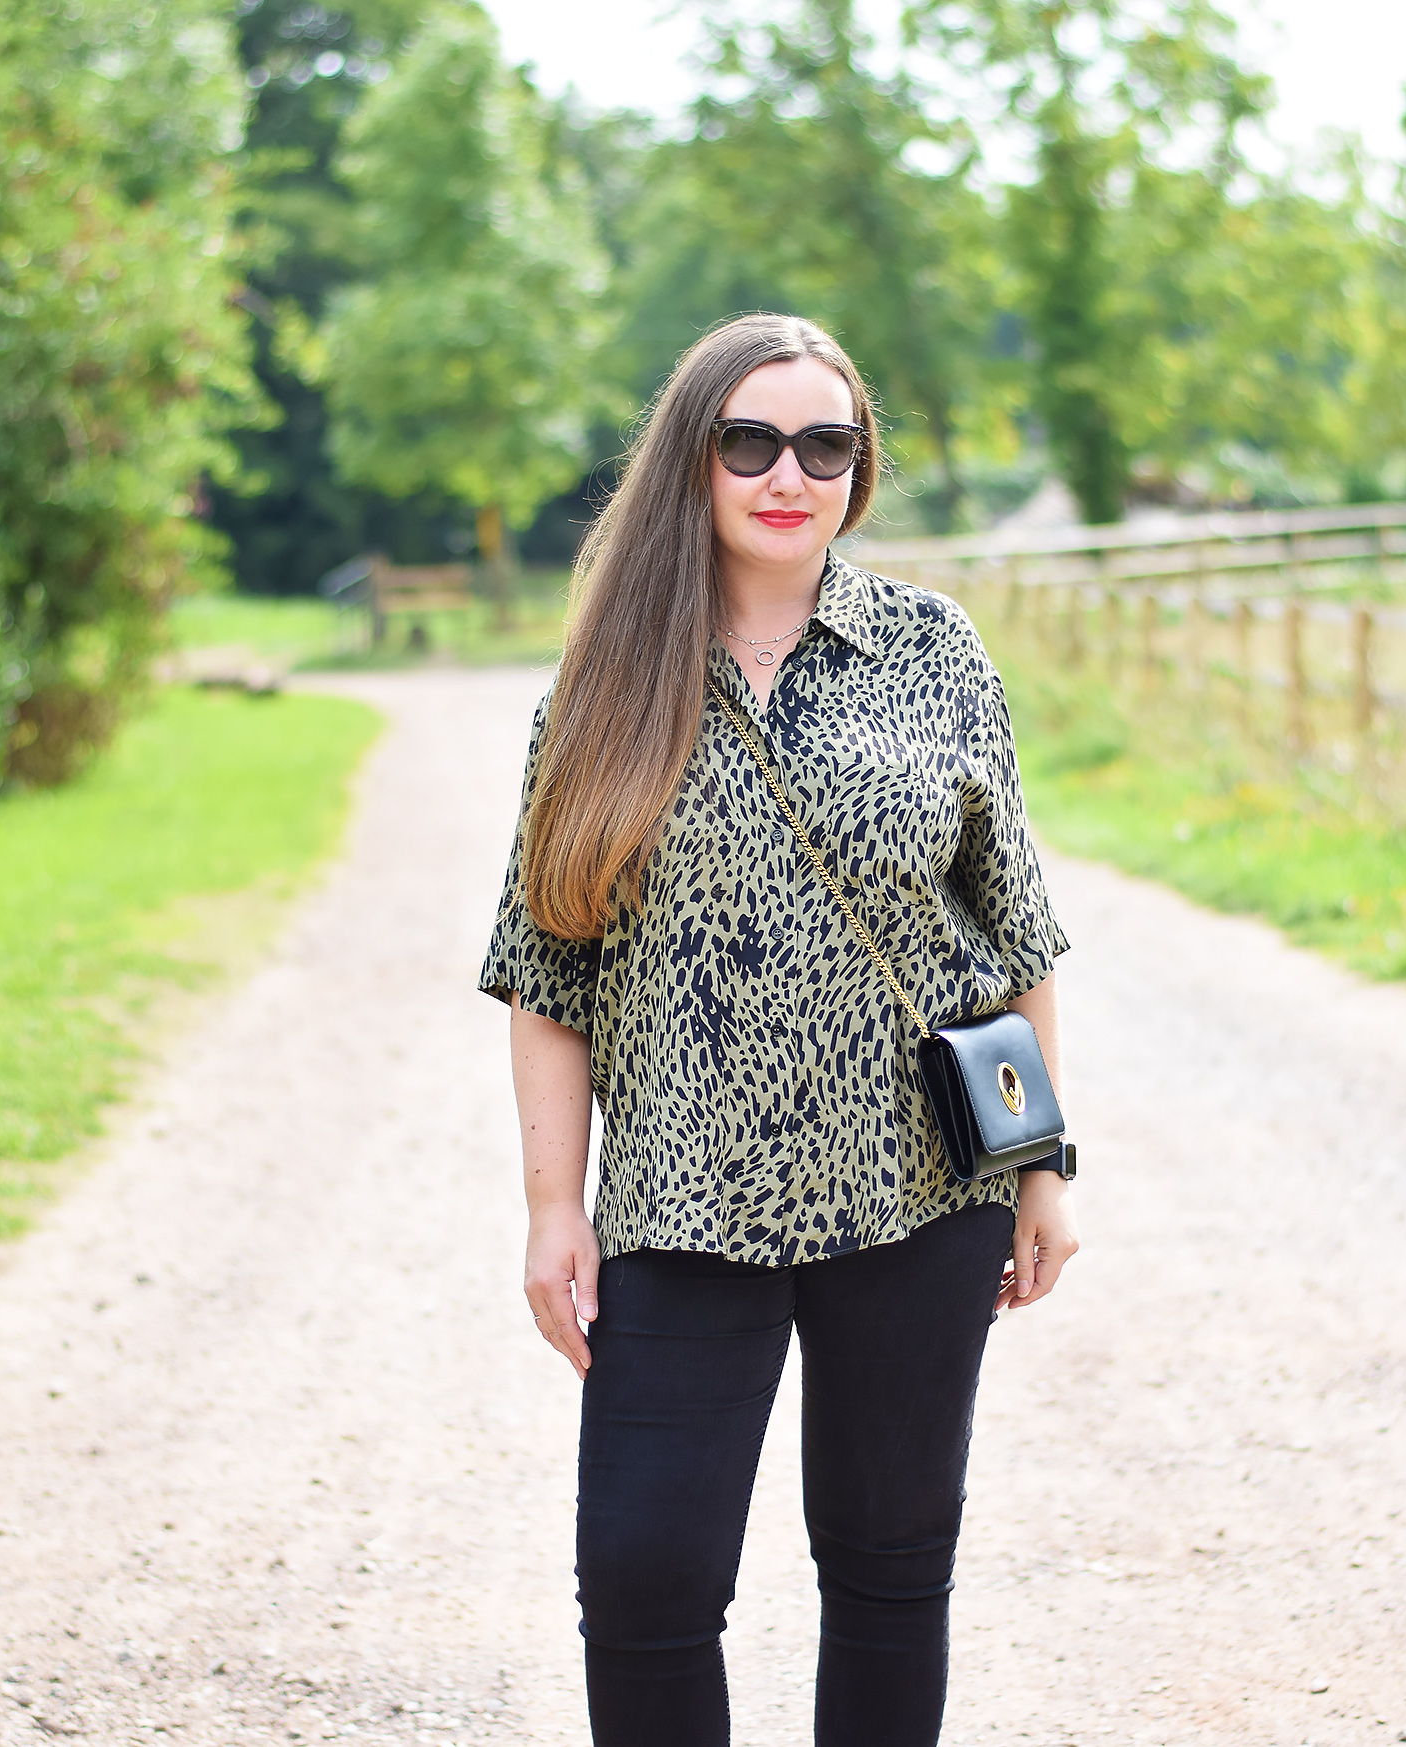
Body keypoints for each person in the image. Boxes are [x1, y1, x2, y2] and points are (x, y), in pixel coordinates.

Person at [480, 312, 1077, 1747]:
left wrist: (1044, 1168)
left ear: (859, 469)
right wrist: (553, 1207)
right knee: (641, 1574)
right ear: (695, 459)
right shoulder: (603, 688)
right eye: (748, 440)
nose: (786, 472)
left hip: (918, 1196)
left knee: (886, 1569)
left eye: (825, 443)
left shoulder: (933, 650)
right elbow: (547, 973)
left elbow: (1016, 930)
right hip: (681, 1207)